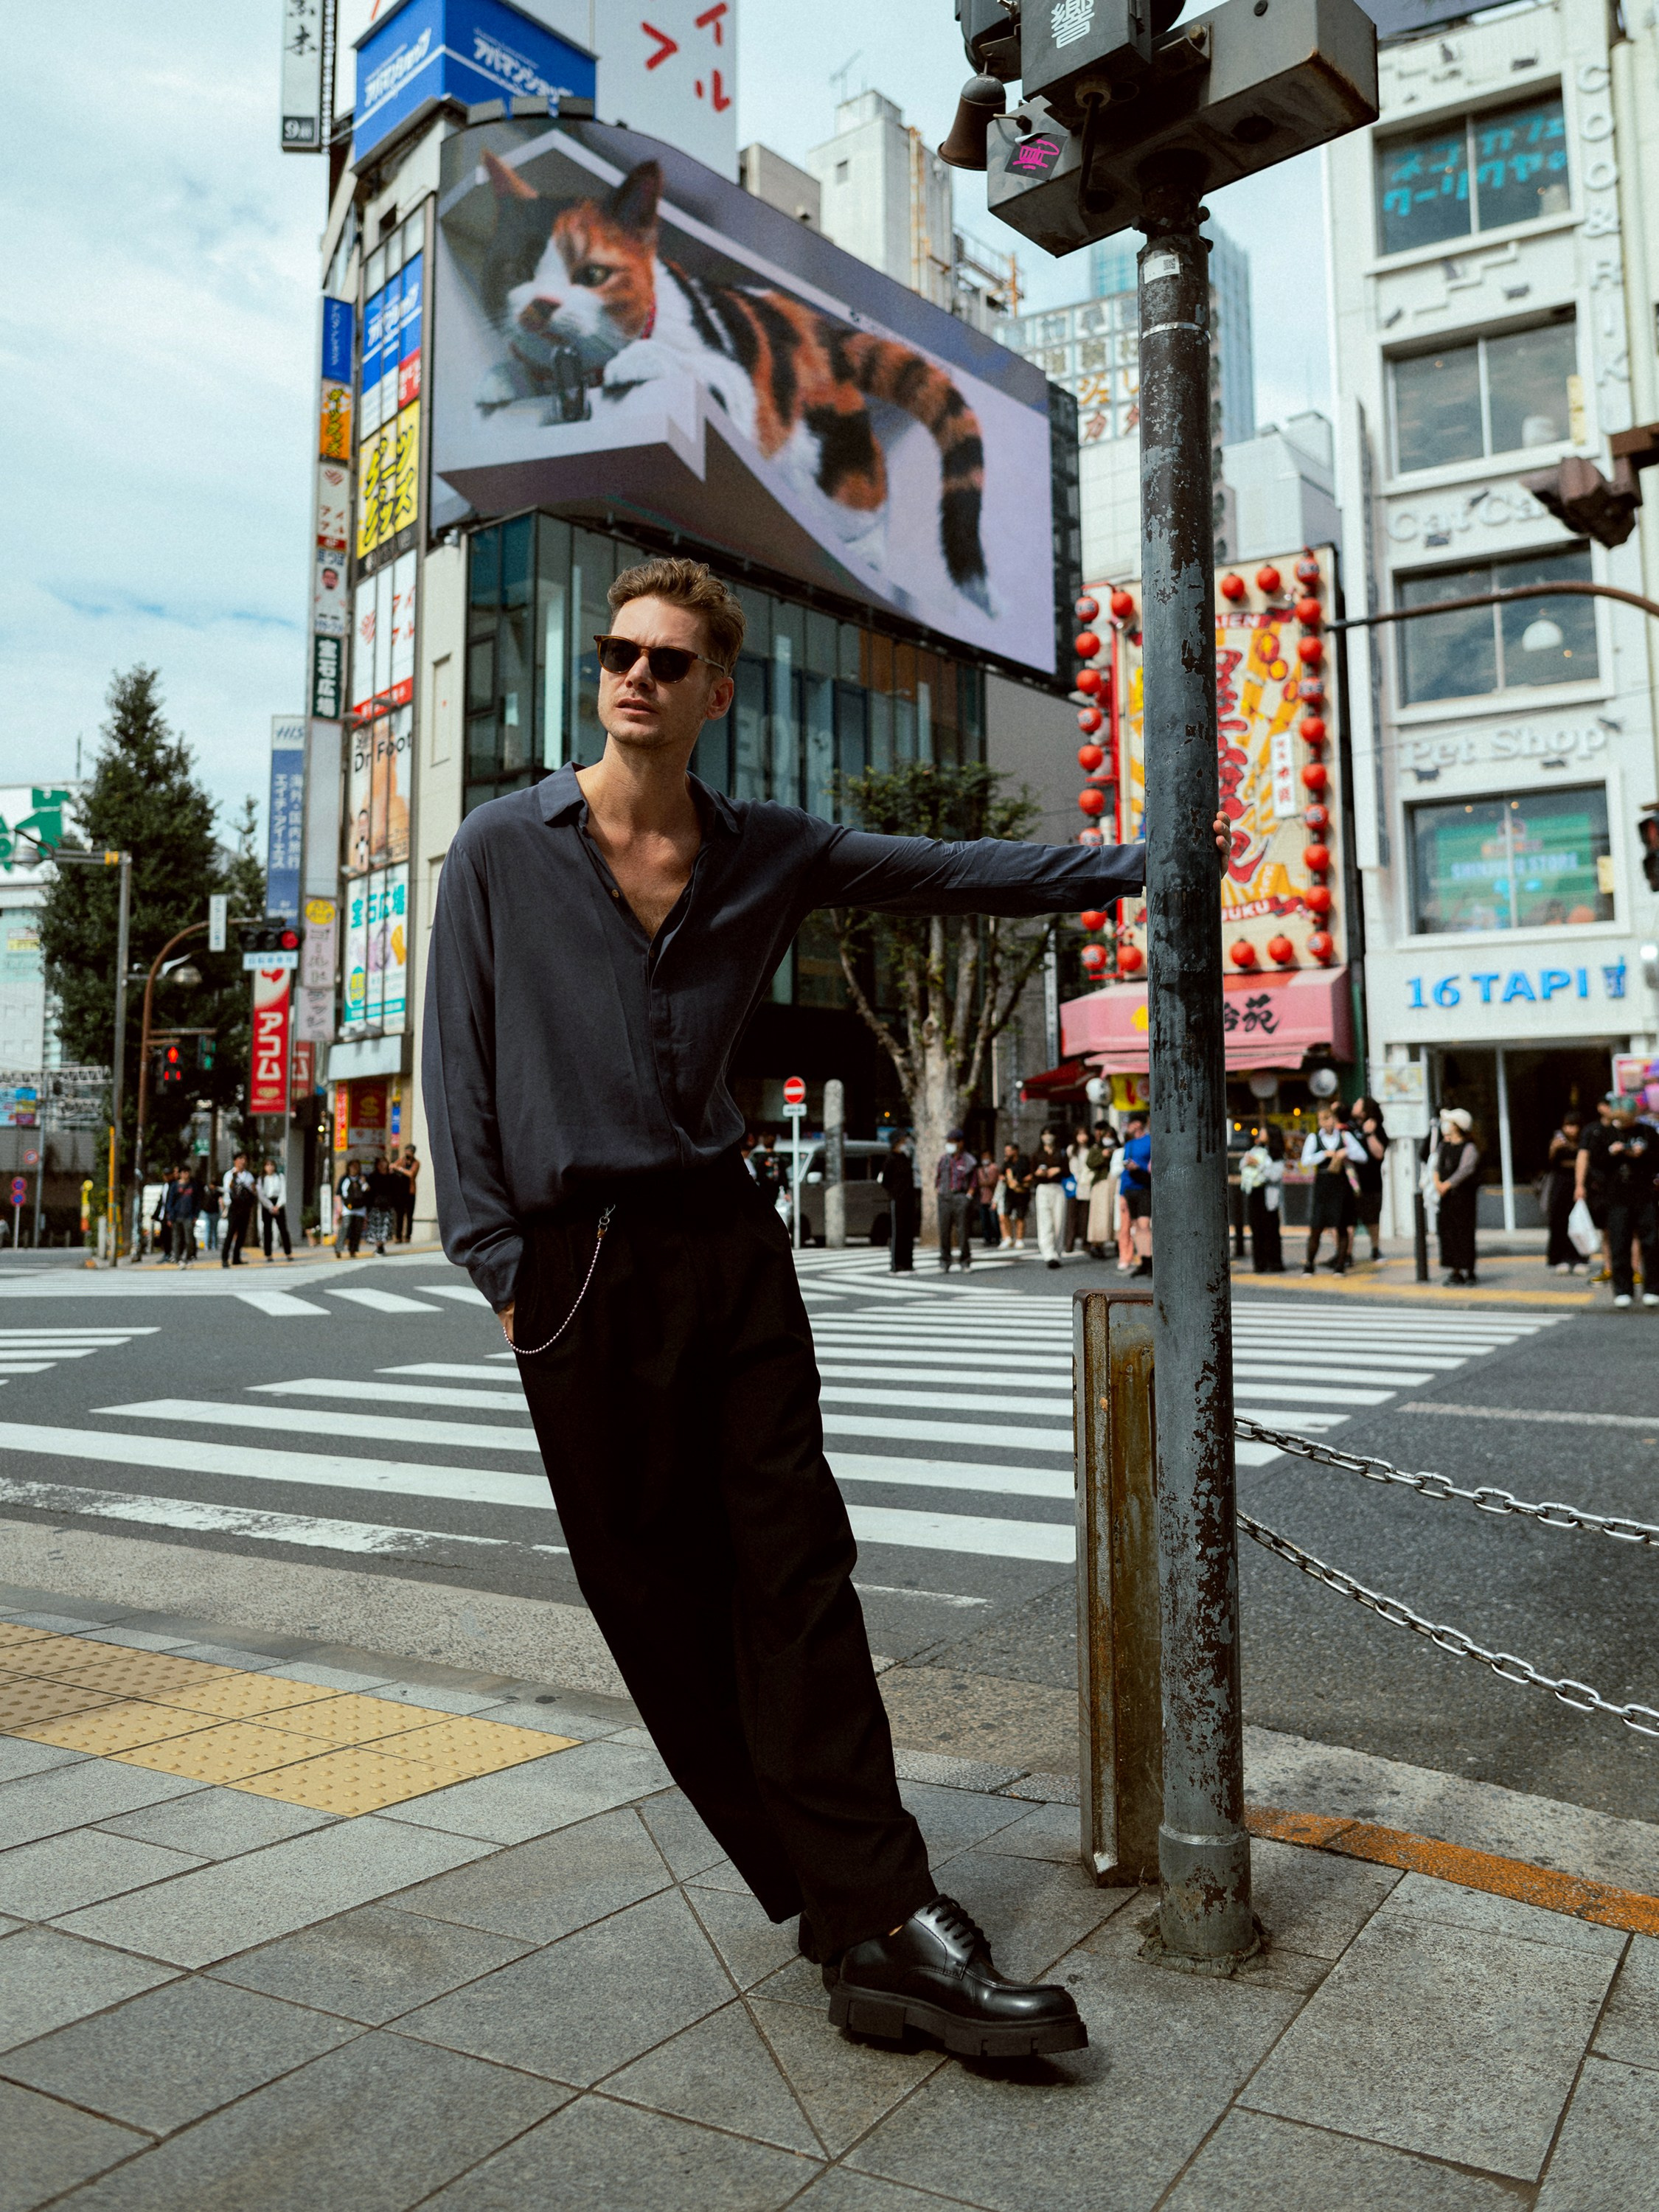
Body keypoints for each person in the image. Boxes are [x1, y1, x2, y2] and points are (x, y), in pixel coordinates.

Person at [425, 557, 1220, 2051]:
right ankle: (827, 1893)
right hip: (575, 1266)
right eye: (619, 653)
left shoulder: (765, 848)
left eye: (669, 661)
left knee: (799, 1567)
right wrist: (499, 1267)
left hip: (729, 1248)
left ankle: (883, 1909)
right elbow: (454, 1067)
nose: (637, 676)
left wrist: (1142, 865)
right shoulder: (499, 849)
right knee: (655, 1599)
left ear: (717, 691)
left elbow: (944, 871)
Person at [1576, 1096, 1658, 1309]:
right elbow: (1596, 1164)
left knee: (1652, 1242)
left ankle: (1653, 1289)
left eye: (1630, 1118)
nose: (1627, 1123)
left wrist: (1644, 1153)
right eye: (1622, 1119)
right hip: (1615, 1197)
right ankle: (1623, 1290)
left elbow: (1657, 1158)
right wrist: (1612, 1153)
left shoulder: (1647, 1132)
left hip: (1645, 1195)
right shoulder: (1603, 1134)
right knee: (1619, 1242)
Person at [1302, 1105, 1363, 1273]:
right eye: (1323, 1119)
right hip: (1323, 1184)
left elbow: (1362, 1156)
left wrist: (1346, 1152)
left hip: (1341, 1185)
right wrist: (1324, 1155)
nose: (1327, 1122)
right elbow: (1305, 1160)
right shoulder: (1314, 1138)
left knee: (1341, 1225)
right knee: (1317, 1226)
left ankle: (1340, 1264)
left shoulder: (1345, 1136)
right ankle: (1309, 1264)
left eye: (1329, 1118)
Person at [1431, 1107, 1481, 1285]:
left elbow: (1465, 1170)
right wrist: (1438, 1183)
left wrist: (1447, 1184)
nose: (1446, 1126)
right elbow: (1436, 1166)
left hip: (1463, 1198)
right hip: (1447, 1198)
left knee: (1464, 1233)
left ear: (1458, 1126)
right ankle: (1455, 1270)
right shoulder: (1444, 1145)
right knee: (1448, 1233)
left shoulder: (1469, 1148)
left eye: (1450, 1123)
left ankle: (1469, 1270)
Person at [1348, 1098, 1388, 1265]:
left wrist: (1370, 1134)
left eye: (1357, 1103)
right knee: (1349, 1220)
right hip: (1351, 1181)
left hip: (1371, 1181)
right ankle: (1347, 1254)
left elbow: (1379, 1154)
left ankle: (1375, 1249)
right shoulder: (1349, 1127)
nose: (1353, 1106)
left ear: (1365, 1110)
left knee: (1372, 1218)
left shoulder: (1378, 1128)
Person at [1239, 1127, 1284, 1273]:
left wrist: (1258, 1164)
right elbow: (1242, 1164)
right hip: (1254, 1193)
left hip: (1269, 1196)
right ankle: (1259, 1263)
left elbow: (1275, 1176)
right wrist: (1249, 1161)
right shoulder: (1256, 1148)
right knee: (1256, 1229)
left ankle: (1274, 1262)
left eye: (1264, 1131)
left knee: (1271, 1230)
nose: (1260, 1134)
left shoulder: (1277, 1154)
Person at [1544, 1113, 1584, 1272]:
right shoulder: (1558, 1142)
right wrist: (1553, 1149)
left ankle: (1579, 1257)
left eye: (1573, 1125)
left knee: (1578, 1222)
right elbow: (1548, 1164)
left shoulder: (1583, 1143)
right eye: (1567, 1126)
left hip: (1577, 1185)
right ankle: (1559, 1258)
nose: (1570, 1129)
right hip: (1560, 1185)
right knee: (1559, 1221)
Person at [936, 1128, 976, 1273]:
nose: (950, 1144)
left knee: (963, 1231)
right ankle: (944, 1261)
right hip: (945, 1197)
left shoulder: (969, 1160)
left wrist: (968, 1196)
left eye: (953, 1142)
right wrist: (939, 1192)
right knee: (944, 1231)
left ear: (960, 1143)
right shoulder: (944, 1159)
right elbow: (938, 1177)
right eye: (948, 1142)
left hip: (960, 1197)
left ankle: (965, 1260)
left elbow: (973, 1181)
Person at [1119, 1111, 1152, 1276]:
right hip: (1130, 1188)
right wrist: (1121, 1194)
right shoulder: (1129, 1144)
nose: (1128, 1127)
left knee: (1144, 1224)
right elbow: (1123, 1173)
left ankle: (1150, 1260)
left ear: (1137, 1124)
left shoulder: (1150, 1141)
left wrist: (1138, 1167)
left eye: (1130, 1123)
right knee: (1136, 1226)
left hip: (1145, 1187)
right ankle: (1144, 1260)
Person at [1030, 1126, 1068, 1270]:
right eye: (1045, 1134)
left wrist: (1058, 1169)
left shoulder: (1061, 1153)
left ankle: (1057, 1252)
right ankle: (1048, 1254)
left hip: (1057, 1187)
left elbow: (1067, 1170)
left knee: (1059, 1221)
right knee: (1045, 1221)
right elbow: (1032, 1173)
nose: (1048, 1137)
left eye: (1050, 1134)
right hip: (1043, 1188)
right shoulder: (1036, 1154)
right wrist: (1039, 1173)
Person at [880, 1132, 915, 1271]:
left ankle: (908, 1263)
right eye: (903, 1141)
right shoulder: (890, 1159)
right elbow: (884, 1180)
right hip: (897, 1200)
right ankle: (896, 1264)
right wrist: (894, 1193)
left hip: (909, 1199)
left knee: (908, 1231)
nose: (905, 1144)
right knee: (898, 1232)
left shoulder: (905, 1158)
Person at [1085, 1121, 1116, 1259]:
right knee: (1099, 1215)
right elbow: (1090, 1163)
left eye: (1111, 1136)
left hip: (1115, 1183)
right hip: (1101, 1183)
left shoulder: (1119, 1148)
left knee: (1115, 1214)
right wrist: (1103, 1155)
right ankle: (1097, 1244)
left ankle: (1117, 1243)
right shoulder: (1096, 1148)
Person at [220, 1153, 257, 1268]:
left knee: (242, 1233)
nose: (243, 1161)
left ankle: (236, 1257)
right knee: (231, 1233)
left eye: (245, 1159)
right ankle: (225, 1258)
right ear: (235, 1161)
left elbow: (253, 1189)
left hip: (245, 1206)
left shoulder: (248, 1175)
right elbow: (228, 1190)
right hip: (234, 1206)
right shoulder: (229, 1175)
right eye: (240, 1159)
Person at [1064, 1124, 1094, 1254]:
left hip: (1087, 1184)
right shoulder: (1071, 1149)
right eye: (1080, 1134)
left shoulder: (1091, 1150)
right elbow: (1072, 1167)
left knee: (1085, 1216)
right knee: (1072, 1216)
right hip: (1074, 1185)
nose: (1082, 1137)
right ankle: (1069, 1243)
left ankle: (1085, 1242)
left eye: (1085, 1134)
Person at [258, 1155, 293, 1261]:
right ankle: (268, 1254)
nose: (270, 1168)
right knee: (267, 1230)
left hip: (278, 1203)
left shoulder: (280, 1177)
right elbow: (261, 1195)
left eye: (272, 1165)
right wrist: (270, 1206)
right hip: (267, 1204)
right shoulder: (262, 1179)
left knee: (283, 1229)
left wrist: (278, 1206)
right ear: (264, 1167)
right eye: (268, 1165)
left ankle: (288, 1252)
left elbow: (283, 1192)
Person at [998, 1141, 1031, 1251]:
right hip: (1010, 1192)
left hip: (1022, 1192)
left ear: (1015, 1151)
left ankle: (1019, 1239)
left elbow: (1031, 1174)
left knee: (1020, 1216)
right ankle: (1008, 1238)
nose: (1006, 1153)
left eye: (1008, 1151)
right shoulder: (1007, 1162)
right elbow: (1001, 1175)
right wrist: (1006, 1179)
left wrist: (1020, 1182)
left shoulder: (1024, 1161)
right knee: (1005, 1213)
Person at [366, 1151, 400, 1256]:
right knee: (376, 1228)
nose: (382, 1165)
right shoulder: (372, 1177)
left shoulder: (392, 1177)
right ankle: (379, 1246)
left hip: (388, 1206)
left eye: (384, 1162)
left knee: (386, 1227)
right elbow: (369, 1193)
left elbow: (397, 1190)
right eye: (380, 1163)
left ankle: (381, 1246)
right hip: (375, 1206)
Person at [165, 1166, 199, 1267]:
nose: (186, 1174)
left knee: (189, 1239)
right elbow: (170, 1201)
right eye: (184, 1172)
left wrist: (196, 1215)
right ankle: (177, 1258)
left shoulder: (193, 1186)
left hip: (189, 1215)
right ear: (180, 1174)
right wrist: (170, 1215)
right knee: (176, 1238)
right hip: (176, 1215)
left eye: (187, 1172)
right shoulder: (175, 1186)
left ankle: (188, 1257)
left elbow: (197, 1201)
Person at [336, 1158, 369, 1256]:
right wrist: (340, 1208)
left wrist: (364, 1182)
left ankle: (353, 1249)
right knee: (345, 1227)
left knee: (357, 1229)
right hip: (347, 1208)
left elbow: (367, 1190)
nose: (355, 1168)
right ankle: (338, 1248)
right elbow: (339, 1193)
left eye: (357, 1166)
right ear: (349, 1167)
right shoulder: (345, 1179)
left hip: (360, 1208)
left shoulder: (362, 1178)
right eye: (353, 1166)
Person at [973, 1148, 1001, 1248]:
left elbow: (992, 1182)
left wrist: (982, 1183)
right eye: (983, 1157)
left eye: (987, 1156)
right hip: (982, 1199)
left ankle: (997, 1238)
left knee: (994, 1220)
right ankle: (987, 1239)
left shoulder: (994, 1168)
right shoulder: (979, 1170)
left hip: (993, 1198)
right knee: (985, 1221)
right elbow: (976, 1183)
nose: (985, 1159)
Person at [199, 1172, 221, 1255]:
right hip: (209, 1212)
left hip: (213, 1212)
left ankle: (213, 1245)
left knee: (213, 1230)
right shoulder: (207, 1191)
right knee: (209, 1229)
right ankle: (208, 1245)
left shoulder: (215, 1192)